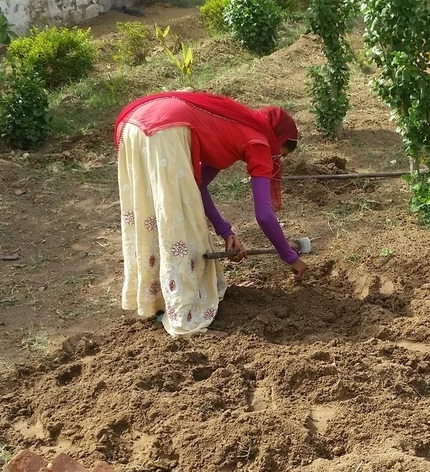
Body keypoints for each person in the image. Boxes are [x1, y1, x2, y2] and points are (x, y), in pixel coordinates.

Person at [113, 91, 307, 336]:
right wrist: (291, 258)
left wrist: (226, 232)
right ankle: (184, 320)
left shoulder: (232, 130)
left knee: (159, 216)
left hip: (136, 124)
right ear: (277, 139)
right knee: (181, 223)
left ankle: (159, 301)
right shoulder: (260, 142)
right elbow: (264, 215)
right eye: (281, 153)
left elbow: (198, 187)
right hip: (166, 130)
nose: (276, 158)